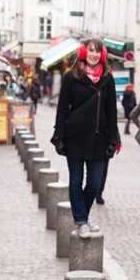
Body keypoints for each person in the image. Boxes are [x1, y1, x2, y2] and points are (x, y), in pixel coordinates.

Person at [52, 39, 119, 238]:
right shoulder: (71, 77)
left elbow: (111, 111)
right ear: (83, 52)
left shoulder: (108, 78)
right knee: (75, 182)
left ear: (103, 55)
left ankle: (83, 217)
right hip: (75, 137)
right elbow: (62, 108)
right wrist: (59, 136)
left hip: (99, 138)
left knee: (94, 184)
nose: (94, 55)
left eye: (98, 52)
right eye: (91, 51)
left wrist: (113, 139)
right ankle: (81, 221)